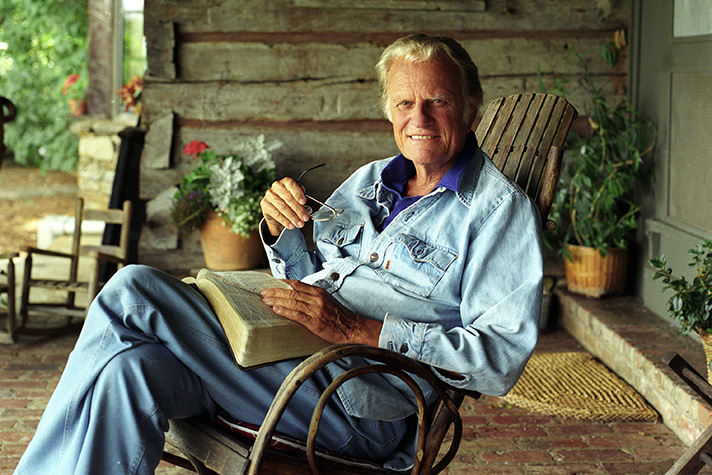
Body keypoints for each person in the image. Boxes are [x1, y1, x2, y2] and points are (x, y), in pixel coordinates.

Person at [15, 33, 542, 474]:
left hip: (353, 400)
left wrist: (358, 330)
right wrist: (279, 228)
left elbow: (496, 360)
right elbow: (312, 277)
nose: (419, 117)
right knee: (129, 371)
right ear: (388, 110)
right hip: (281, 362)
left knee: (133, 289)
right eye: (405, 102)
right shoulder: (368, 183)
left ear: (471, 110)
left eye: (439, 101)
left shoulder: (498, 212)